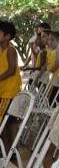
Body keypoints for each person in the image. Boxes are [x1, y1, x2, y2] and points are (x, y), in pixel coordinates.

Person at [0, 20, 22, 151]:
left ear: (7, 36)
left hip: (9, 92)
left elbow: (11, 69)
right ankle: (10, 150)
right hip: (3, 91)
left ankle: (9, 150)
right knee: (9, 121)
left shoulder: (11, 50)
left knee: (6, 121)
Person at [44, 31, 59, 104]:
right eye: (49, 39)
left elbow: (57, 64)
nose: (50, 42)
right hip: (52, 78)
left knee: (58, 98)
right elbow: (47, 64)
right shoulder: (50, 51)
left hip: (58, 78)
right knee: (51, 98)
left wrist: (49, 72)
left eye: (52, 40)